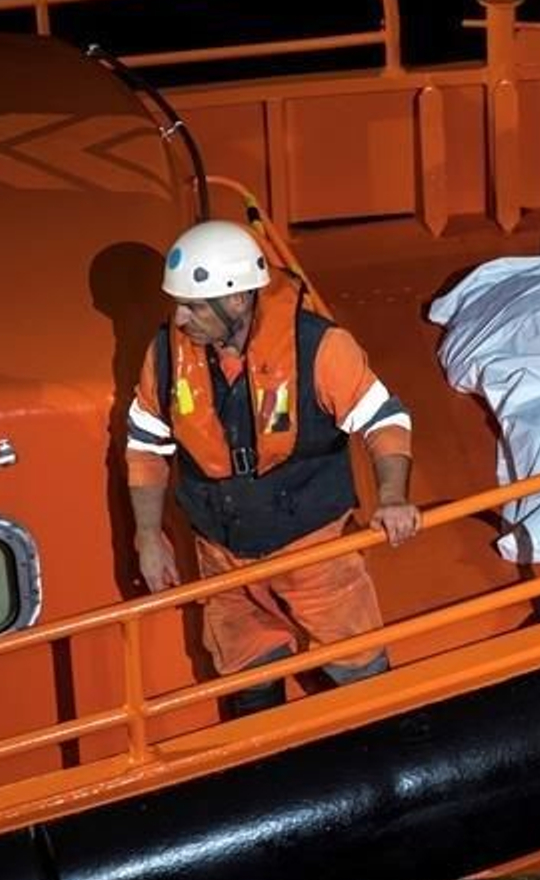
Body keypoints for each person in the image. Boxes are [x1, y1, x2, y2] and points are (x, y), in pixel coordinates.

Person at [124, 219, 420, 718]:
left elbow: (384, 421)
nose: (179, 319)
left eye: (193, 307)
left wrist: (392, 496)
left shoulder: (321, 349)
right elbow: (145, 447)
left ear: (237, 301)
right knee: (246, 673)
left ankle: (378, 748)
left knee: (358, 664)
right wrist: (148, 536)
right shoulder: (166, 359)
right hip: (221, 554)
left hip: (314, 552)